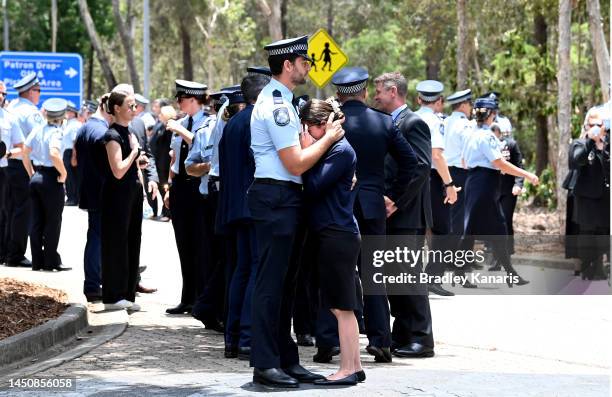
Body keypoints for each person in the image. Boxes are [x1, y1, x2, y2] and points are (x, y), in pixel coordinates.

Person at [248, 35, 344, 388]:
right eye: (304, 62)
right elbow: (295, 163)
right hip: (277, 196)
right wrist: (329, 138)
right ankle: (265, 363)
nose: (308, 67)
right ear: (287, 65)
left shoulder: (285, 103)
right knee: (271, 285)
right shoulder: (276, 105)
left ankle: (286, 360)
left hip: (284, 198)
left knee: (286, 285)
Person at [315, 67, 420, 366]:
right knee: (374, 275)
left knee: (333, 273)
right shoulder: (383, 122)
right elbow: (410, 163)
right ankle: (380, 342)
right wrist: (393, 196)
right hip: (373, 207)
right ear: (363, 93)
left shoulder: (332, 124)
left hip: (337, 206)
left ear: (339, 95)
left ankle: (328, 341)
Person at [299, 98, 363, 386]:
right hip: (333, 232)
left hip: (337, 233)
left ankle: (347, 368)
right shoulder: (332, 148)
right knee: (340, 304)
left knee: (341, 306)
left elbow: (313, 186)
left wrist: (304, 151)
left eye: (309, 127)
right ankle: (355, 366)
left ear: (323, 125)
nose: (306, 133)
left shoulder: (339, 150)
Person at [373, 71, 437, 359]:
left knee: (409, 276)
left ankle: (422, 338)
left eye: (379, 91)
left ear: (393, 91)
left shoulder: (414, 123)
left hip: (407, 213)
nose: (375, 96)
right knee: (394, 276)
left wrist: (396, 201)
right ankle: (402, 332)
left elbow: (421, 167)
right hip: (392, 212)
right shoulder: (389, 122)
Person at [459, 97, 538, 286]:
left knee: (485, 229)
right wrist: (527, 175)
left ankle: (508, 273)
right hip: (484, 184)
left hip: (475, 181)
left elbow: (463, 161)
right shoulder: (487, 136)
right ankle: (462, 272)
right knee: (492, 229)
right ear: (492, 115)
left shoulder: (471, 133)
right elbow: (499, 163)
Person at [218, 75, 268, 360]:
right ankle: (247, 335)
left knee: (242, 269)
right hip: (254, 206)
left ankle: (233, 336)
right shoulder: (256, 121)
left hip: (236, 206)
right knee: (255, 269)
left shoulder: (234, 122)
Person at [164, 79, 209, 315]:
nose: (179, 103)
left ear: (193, 100)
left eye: (181, 99)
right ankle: (187, 297)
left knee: (200, 244)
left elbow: (203, 150)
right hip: (181, 186)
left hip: (198, 186)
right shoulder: (181, 123)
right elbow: (174, 160)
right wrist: (169, 186)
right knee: (183, 243)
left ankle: (202, 299)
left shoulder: (208, 123)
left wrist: (184, 132)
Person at [100, 84, 146, 311]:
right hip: (116, 197)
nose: (134, 109)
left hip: (132, 193)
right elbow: (118, 169)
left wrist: (139, 160)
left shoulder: (130, 132)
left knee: (132, 242)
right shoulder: (112, 135)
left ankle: (128, 293)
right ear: (117, 108)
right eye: (130, 106)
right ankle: (113, 295)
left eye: (135, 105)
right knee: (117, 244)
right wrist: (135, 154)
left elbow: (132, 166)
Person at [415, 80, 462, 289]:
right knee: (442, 228)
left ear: (418, 99)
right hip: (432, 179)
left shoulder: (411, 116)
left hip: (411, 178)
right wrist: (449, 184)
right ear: (439, 101)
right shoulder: (435, 121)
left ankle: (412, 277)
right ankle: (433, 278)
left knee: (417, 228)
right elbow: (436, 155)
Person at [21, 98, 70, 272]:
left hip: (37, 177)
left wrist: (31, 173)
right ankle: (50, 261)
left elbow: (25, 152)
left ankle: (37, 262)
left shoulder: (37, 129)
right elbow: (54, 153)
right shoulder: (57, 132)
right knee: (52, 221)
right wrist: (64, 173)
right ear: (62, 116)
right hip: (51, 178)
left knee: (36, 221)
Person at [74, 93, 113, 302]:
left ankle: (93, 283)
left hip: (91, 191)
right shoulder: (101, 132)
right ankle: (93, 284)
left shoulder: (85, 128)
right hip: (102, 193)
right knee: (98, 239)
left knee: (95, 237)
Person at [5, 72, 43, 268]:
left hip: (8, 163)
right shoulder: (31, 112)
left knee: (9, 209)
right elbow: (39, 139)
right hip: (23, 164)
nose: (39, 94)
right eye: (38, 90)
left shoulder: (10, 107)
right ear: (30, 92)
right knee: (24, 209)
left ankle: (6, 250)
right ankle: (16, 254)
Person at [568, 107, 610, 280]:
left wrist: (603, 146)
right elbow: (577, 161)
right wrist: (590, 142)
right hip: (586, 197)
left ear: (603, 126)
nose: (594, 127)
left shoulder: (608, 143)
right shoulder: (579, 144)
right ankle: (587, 268)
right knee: (587, 233)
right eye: (591, 125)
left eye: (598, 124)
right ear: (586, 126)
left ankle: (599, 267)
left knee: (603, 232)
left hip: (605, 197)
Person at [490, 122, 525, 269]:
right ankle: (496, 257)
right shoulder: (487, 145)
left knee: (505, 221)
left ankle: (506, 256)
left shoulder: (511, 144)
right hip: (491, 190)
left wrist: (518, 184)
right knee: (493, 223)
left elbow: (518, 165)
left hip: (508, 190)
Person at [0, 82, 22, 266]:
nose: (1, 96)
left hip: (2, 170)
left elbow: (21, 147)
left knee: (3, 212)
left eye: (3, 93)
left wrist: (6, 153)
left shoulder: (9, 118)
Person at [62, 101, 82, 206]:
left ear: (72, 113)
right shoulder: (70, 124)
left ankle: (73, 198)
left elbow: (75, 142)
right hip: (68, 152)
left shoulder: (74, 125)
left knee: (71, 177)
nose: (66, 113)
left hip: (71, 152)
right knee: (70, 176)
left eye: (68, 111)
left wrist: (74, 157)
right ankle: (73, 197)